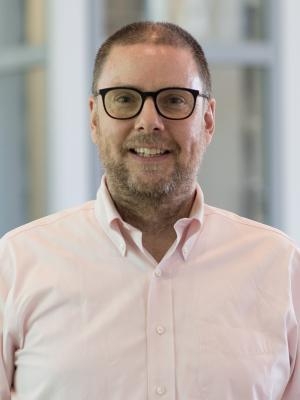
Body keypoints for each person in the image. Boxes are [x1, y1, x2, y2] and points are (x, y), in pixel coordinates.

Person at [0, 21, 299, 400]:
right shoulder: (16, 265)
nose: (149, 122)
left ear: (207, 120)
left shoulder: (281, 270)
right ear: (94, 118)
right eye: (124, 99)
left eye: (174, 99)